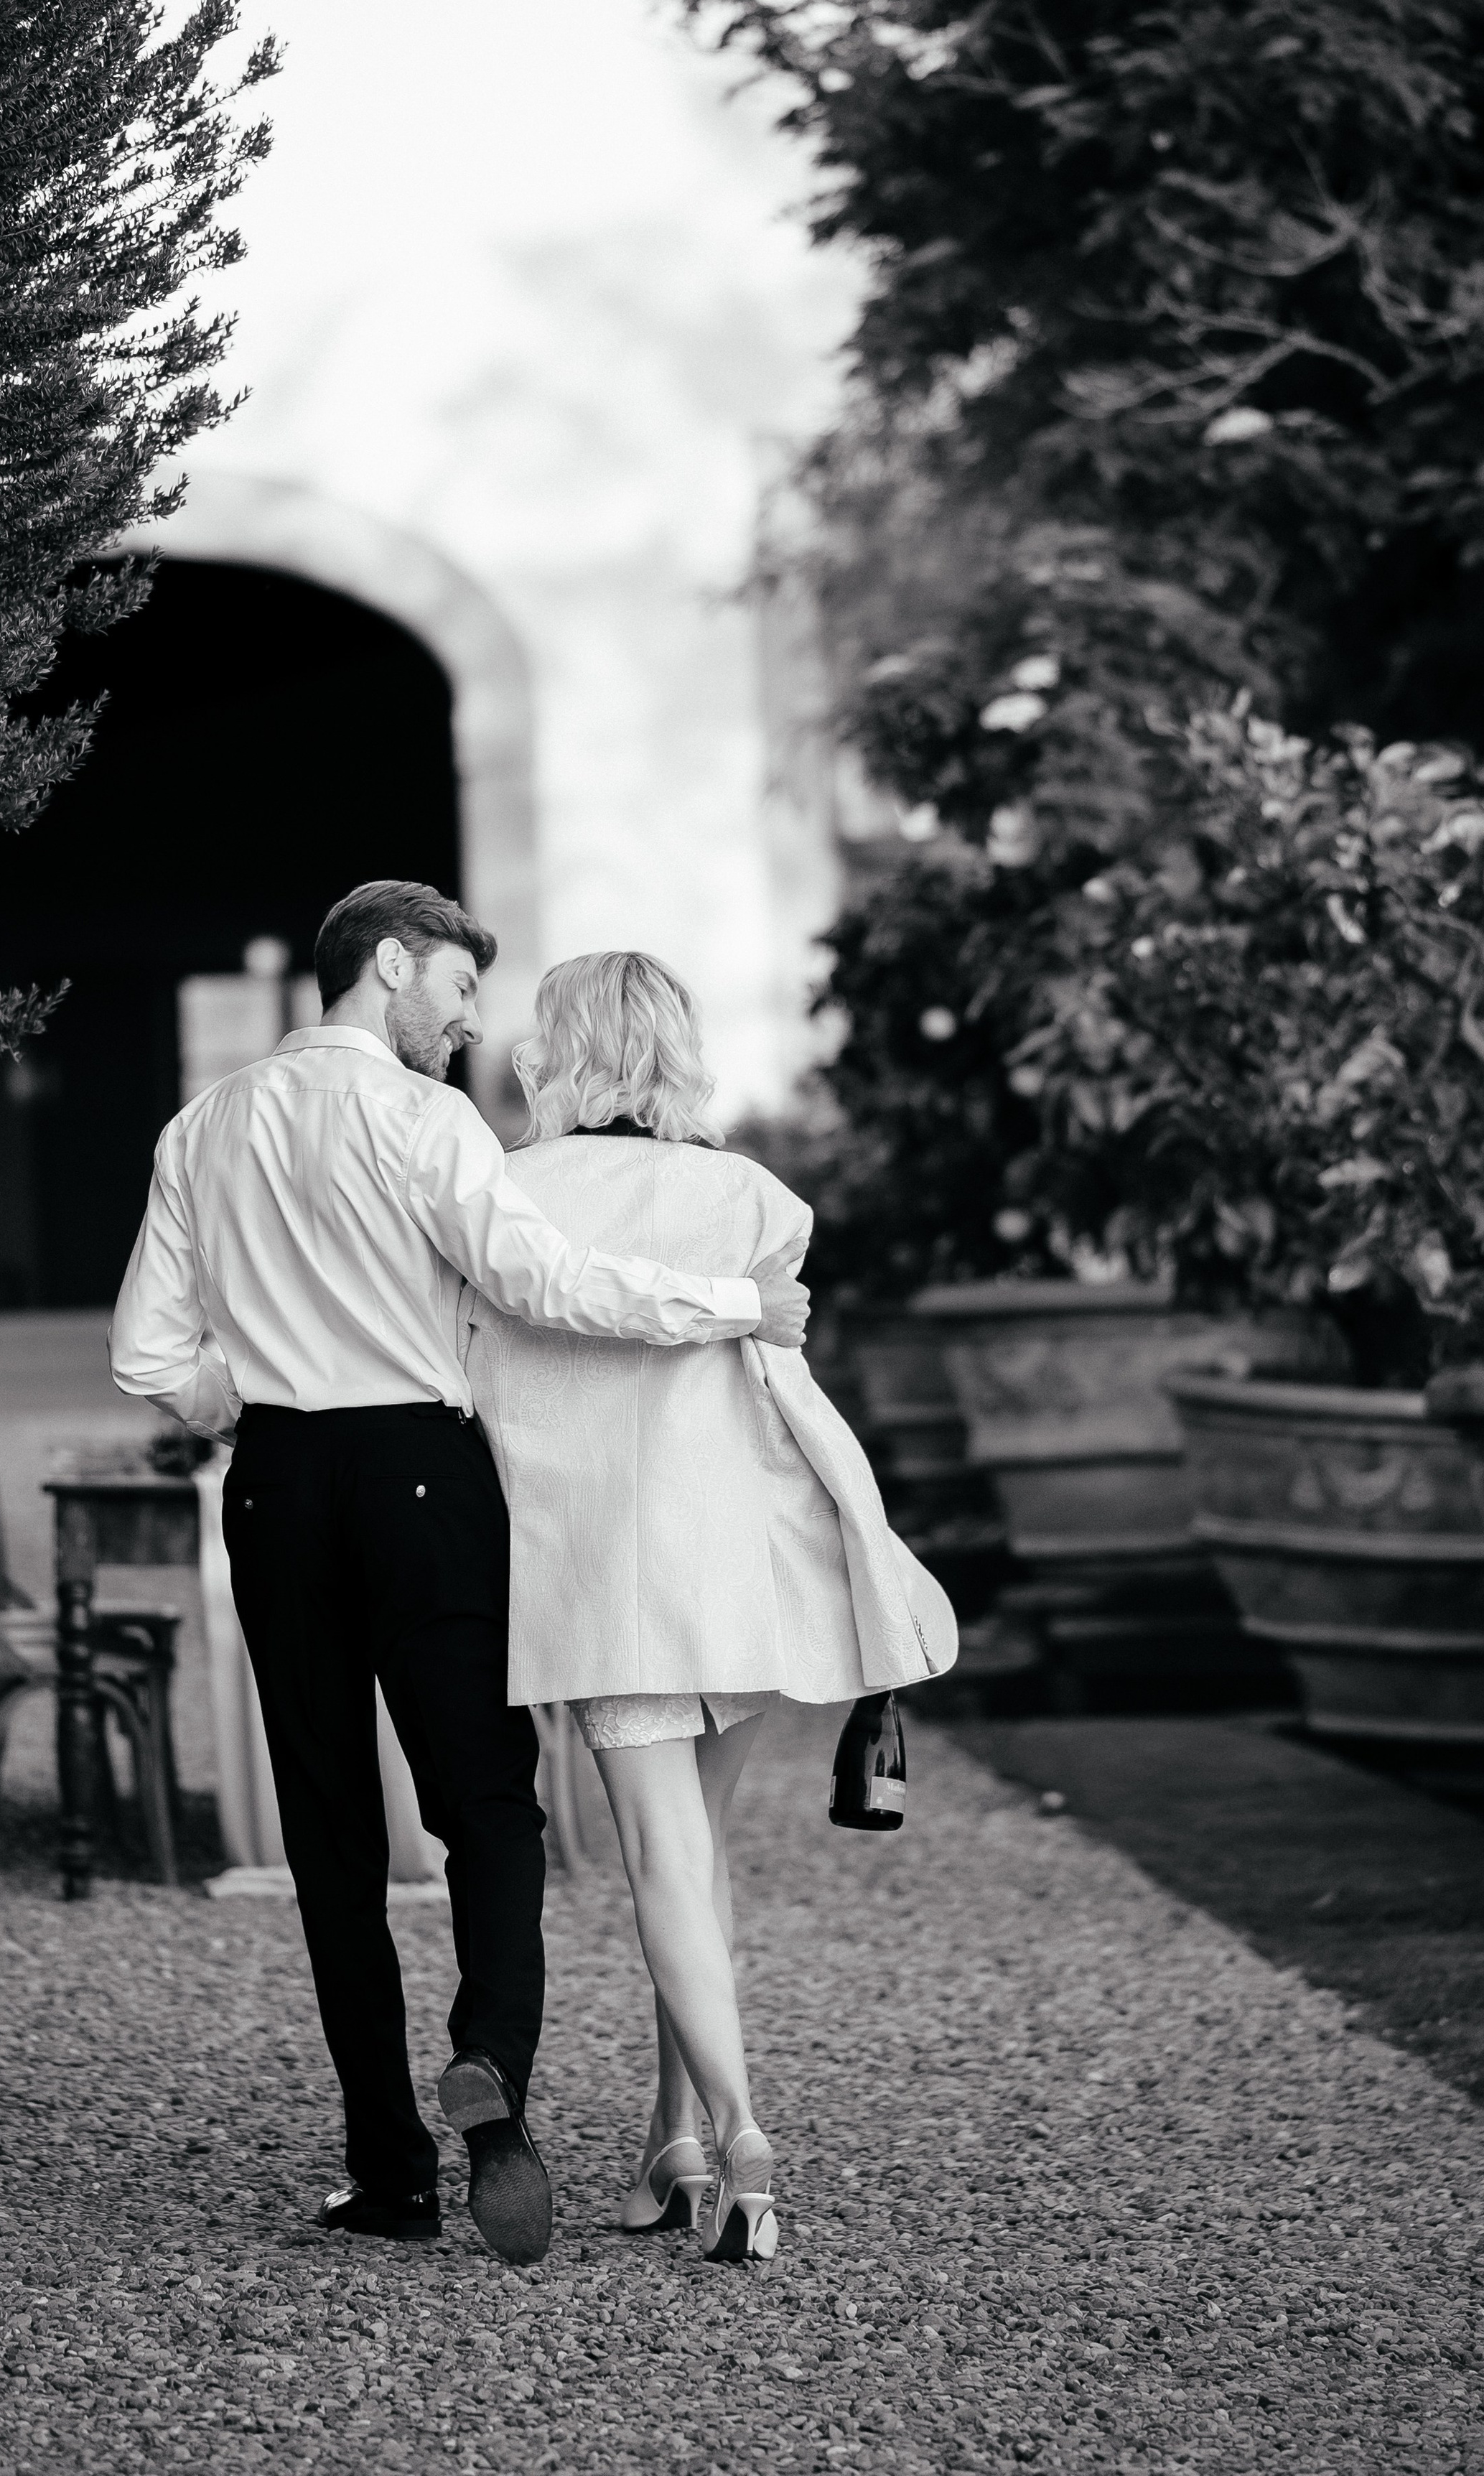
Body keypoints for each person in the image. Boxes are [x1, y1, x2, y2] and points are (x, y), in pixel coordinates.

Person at [109, 882, 809, 2268]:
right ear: (388, 967)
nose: (472, 1027)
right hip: (425, 1481)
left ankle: (389, 2171)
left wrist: (247, 1396)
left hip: (278, 1483)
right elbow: (545, 1284)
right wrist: (737, 1306)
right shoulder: (428, 1122)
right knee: (487, 1807)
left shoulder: (200, 1128)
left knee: (327, 1831)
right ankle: (492, 2079)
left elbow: (145, 1357)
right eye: (459, 993)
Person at [464, 950, 957, 2265]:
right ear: (678, 1052)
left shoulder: (502, 1194)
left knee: (666, 1864)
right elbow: (788, 1402)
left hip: (599, 1580)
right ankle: (667, 2144)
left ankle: (742, 2139)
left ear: (557, 1050)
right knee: (702, 1863)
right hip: (737, 1570)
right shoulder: (756, 1203)